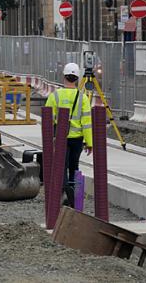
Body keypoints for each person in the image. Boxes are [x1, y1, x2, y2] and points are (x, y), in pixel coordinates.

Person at [45, 62, 92, 207]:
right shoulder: (82, 97)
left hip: (60, 139)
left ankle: (64, 194)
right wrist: (89, 143)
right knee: (74, 166)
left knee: (61, 167)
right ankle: (74, 199)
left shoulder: (55, 96)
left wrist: (50, 139)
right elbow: (86, 122)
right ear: (77, 78)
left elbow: (48, 118)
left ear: (64, 76)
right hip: (77, 139)